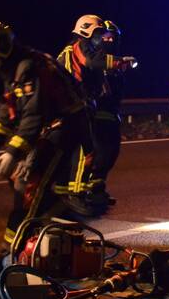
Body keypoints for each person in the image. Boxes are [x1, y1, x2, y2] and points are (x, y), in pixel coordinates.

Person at [0, 20, 90, 255]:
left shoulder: (29, 67)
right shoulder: (14, 67)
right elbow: (9, 106)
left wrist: (13, 153)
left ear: (3, 50)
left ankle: (11, 252)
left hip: (63, 129)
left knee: (31, 188)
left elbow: (33, 116)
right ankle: (63, 229)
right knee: (32, 187)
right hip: (50, 128)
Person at [58, 15, 135, 208]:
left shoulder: (74, 49)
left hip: (80, 107)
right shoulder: (80, 46)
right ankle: (76, 195)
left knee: (83, 153)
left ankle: (77, 194)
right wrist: (120, 62)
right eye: (99, 34)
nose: (103, 39)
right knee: (84, 153)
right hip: (76, 107)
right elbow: (91, 62)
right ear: (86, 30)